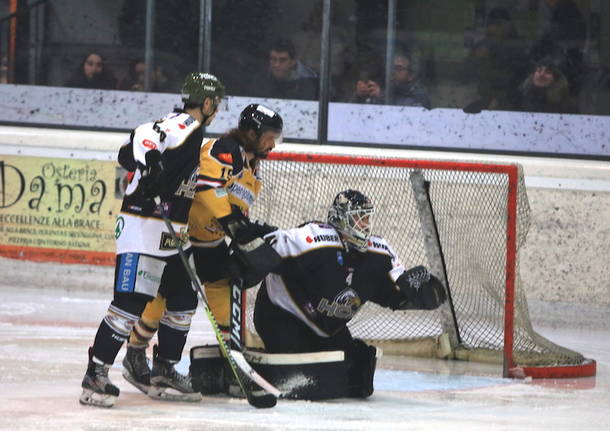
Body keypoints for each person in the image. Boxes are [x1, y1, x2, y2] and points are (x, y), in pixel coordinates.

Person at [191, 190, 447, 399]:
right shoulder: (313, 238)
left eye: (368, 218)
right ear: (341, 218)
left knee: (355, 374)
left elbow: (397, 294)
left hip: (327, 326)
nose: (366, 225)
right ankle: (232, 371)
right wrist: (246, 257)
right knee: (311, 376)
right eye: (360, 218)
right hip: (282, 317)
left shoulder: (378, 252)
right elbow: (267, 242)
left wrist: (419, 292)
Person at [79, 72, 225, 408]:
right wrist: (149, 161)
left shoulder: (190, 129)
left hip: (171, 231)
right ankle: (96, 374)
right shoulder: (184, 124)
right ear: (207, 103)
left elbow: (125, 154)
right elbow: (145, 134)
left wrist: (144, 162)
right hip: (143, 227)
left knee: (184, 299)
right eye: (215, 103)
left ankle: (164, 370)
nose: (216, 109)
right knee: (129, 304)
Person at [122, 103, 284, 397]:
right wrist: (232, 223)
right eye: (269, 137)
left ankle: (233, 361)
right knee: (164, 298)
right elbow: (207, 188)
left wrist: (249, 228)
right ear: (251, 133)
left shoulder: (251, 165)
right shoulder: (226, 148)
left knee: (222, 289)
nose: (273, 144)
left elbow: (233, 205)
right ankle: (135, 352)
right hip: (182, 235)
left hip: (208, 239)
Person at [462, 7, 528, 113]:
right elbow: (464, 75)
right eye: (492, 24)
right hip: (482, 98)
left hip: (510, 101)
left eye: (499, 24)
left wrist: (500, 98)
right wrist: (476, 58)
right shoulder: (481, 46)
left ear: (509, 25)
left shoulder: (517, 47)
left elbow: (520, 79)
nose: (495, 28)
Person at [350, 49, 431, 109]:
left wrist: (381, 97)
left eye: (399, 68)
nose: (393, 72)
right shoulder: (386, 88)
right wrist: (359, 96)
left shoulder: (419, 94)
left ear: (411, 75)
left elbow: (405, 113)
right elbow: (351, 113)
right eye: (391, 68)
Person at [251, 39, 318, 100]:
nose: (277, 64)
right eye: (273, 59)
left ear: (293, 62)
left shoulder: (305, 85)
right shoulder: (260, 82)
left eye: (282, 60)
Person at [513, 56, 577, 114]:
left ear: (555, 79)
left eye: (548, 72)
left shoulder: (567, 105)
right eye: (539, 70)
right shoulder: (518, 98)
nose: (542, 75)